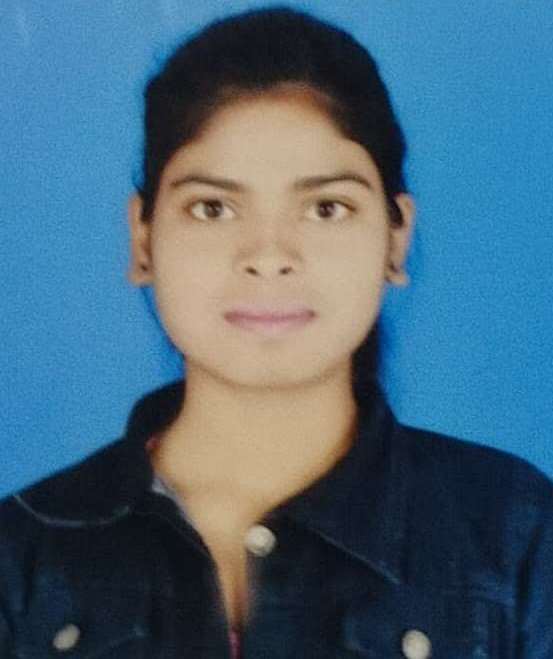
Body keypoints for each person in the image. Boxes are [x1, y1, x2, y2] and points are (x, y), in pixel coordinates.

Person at [1, 6, 551, 658]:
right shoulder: (21, 552)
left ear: (396, 238)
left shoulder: (516, 536)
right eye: (213, 208)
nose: (268, 255)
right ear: (142, 239)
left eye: (326, 208)